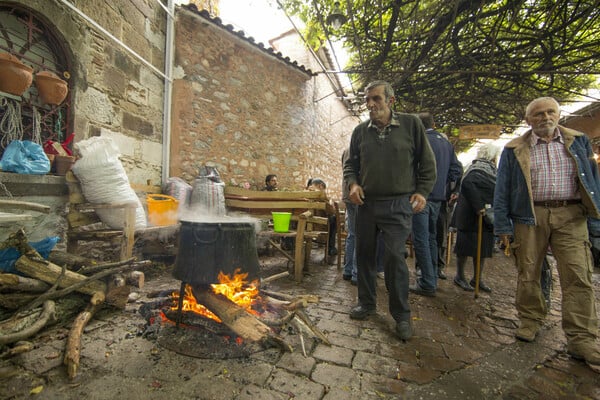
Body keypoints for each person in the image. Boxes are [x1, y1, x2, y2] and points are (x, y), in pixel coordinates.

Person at [494, 96, 600, 373]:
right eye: (538, 114)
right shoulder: (514, 148)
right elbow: (502, 189)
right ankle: (530, 320)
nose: (545, 117)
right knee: (528, 271)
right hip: (530, 216)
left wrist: (596, 223)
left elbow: (593, 182)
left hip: (571, 214)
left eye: (550, 112)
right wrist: (503, 226)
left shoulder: (579, 141)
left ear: (559, 114)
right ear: (528, 120)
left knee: (578, 274)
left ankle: (582, 339)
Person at [343, 80, 436, 340]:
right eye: (367, 100)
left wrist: (422, 191)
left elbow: (427, 164)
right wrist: (353, 184)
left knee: (395, 258)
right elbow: (351, 165)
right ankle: (367, 303)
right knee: (364, 255)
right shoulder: (360, 132)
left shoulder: (411, 124)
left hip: (398, 204)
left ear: (391, 101)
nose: (371, 104)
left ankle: (402, 316)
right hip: (366, 204)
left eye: (376, 99)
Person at [410, 112, 462, 297]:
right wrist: (443, 185)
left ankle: (427, 282)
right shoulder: (446, 143)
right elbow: (457, 169)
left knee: (421, 239)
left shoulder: (421, 141)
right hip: (438, 198)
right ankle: (431, 276)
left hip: (420, 196)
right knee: (431, 238)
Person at [451, 143, 500, 292]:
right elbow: (468, 184)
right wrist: (479, 206)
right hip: (471, 216)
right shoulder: (477, 169)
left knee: (483, 249)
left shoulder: (490, 170)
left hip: (485, 217)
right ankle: (460, 276)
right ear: (491, 156)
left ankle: (477, 279)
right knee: (465, 247)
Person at [307, 178, 337, 263]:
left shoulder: (305, 193)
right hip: (318, 225)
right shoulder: (320, 195)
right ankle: (331, 248)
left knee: (332, 220)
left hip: (306, 224)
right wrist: (329, 202)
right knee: (334, 219)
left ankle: (331, 247)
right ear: (320, 186)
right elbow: (331, 211)